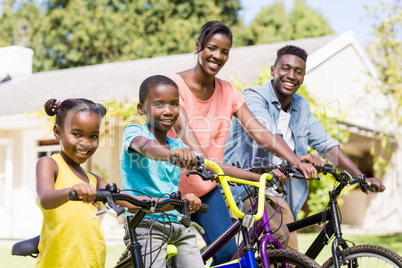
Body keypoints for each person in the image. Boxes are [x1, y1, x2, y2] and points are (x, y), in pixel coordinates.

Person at [167, 21, 317, 265]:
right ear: (198, 47)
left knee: (227, 255)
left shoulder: (229, 92)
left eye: (224, 51)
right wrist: (207, 163)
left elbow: (262, 133)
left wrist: (296, 160)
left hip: (207, 188)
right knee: (168, 253)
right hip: (168, 185)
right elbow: (187, 134)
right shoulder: (173, 86)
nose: (217, 56)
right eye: (212, 48)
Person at [224, 44, 386, 251]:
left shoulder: (301, 106)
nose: (291, 75)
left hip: (275, 191)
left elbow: (326, 145)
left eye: (298, 71)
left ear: (303, 77)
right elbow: (267, 135)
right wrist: (297, 160)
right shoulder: (255, 96)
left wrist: (361, 178)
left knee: (291, 255)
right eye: (285, 68)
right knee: (278, 237)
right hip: (245, 185)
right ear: (273, 71)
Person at [120, 75, 205, 268]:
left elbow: (210, 166)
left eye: (174, 104)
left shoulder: (178, 145)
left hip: (176, 222)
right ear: (141, 109)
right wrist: (170, 154)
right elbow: (147, 148)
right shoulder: (134, 132)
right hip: (145, 223)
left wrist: (256, 176)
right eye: (159, 105)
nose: (168, 111)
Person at [36, 98, 108, 267]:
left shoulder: (94, 180)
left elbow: (126, 198)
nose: (85, 142)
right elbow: (45, 198)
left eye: (93, 136)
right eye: (76, 134)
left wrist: (173, 202)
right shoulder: (50, 164)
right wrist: (72, 191)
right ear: (57, 132)